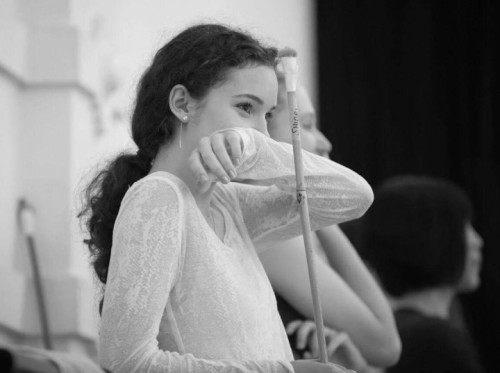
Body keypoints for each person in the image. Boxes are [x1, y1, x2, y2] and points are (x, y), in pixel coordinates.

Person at [79, 23, 374, 373]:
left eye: (267, 115)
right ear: (182, 103)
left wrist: (254, 149)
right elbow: (125, 359)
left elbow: (354, 197)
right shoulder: (158, 196)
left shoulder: (231, 204)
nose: (263, 132)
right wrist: (289, 372)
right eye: (246, 108)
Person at [259, 76, 401, 372]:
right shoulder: (270, 232)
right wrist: (316, 203)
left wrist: (315, 202)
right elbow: (385, 346)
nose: (325, 143)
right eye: (307, 125)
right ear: (267, 134)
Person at [358, 175, 485, 373]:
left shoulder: (401, 332)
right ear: (436, 239)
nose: (477, 241)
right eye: (465, 227)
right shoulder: (435, 340)